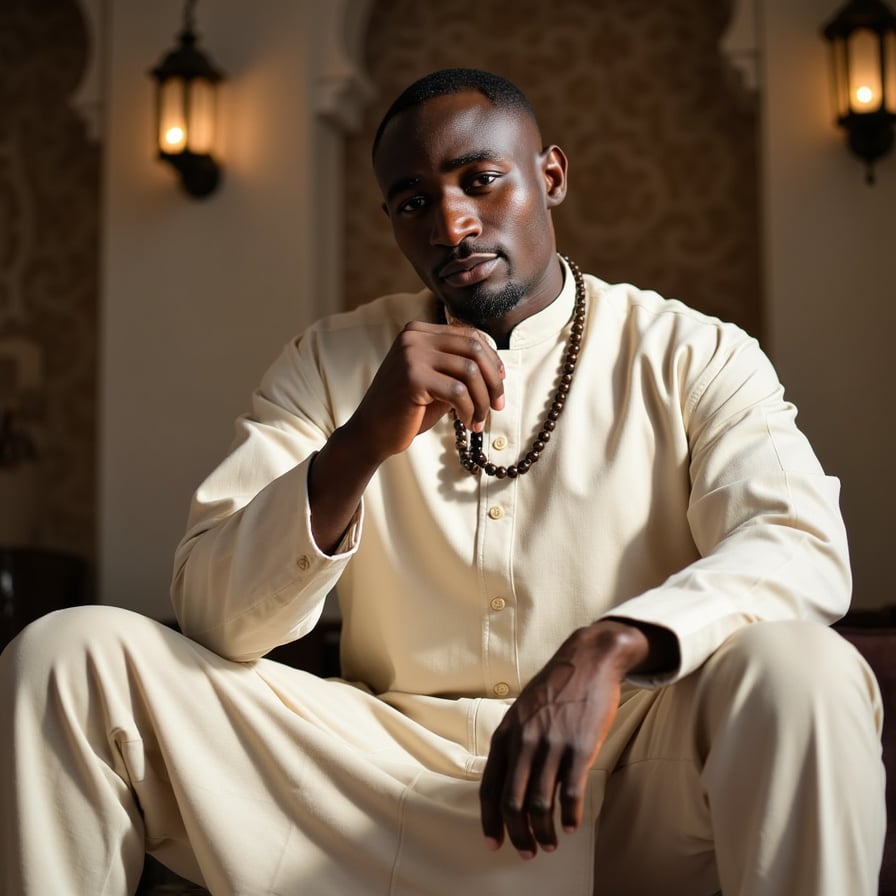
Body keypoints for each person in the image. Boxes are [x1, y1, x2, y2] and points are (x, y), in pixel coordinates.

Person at [0, 68, 886, 896]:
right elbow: (213, 618)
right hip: (378, 779)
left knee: (803, 667)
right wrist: (358, 445)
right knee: (66, 656)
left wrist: (610, 648)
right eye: (413, 202)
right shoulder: (330, 361)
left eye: (480, 180)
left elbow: (799, 547)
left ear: (552, 175)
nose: (450, 224)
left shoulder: (694, 352)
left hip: (624, 782)